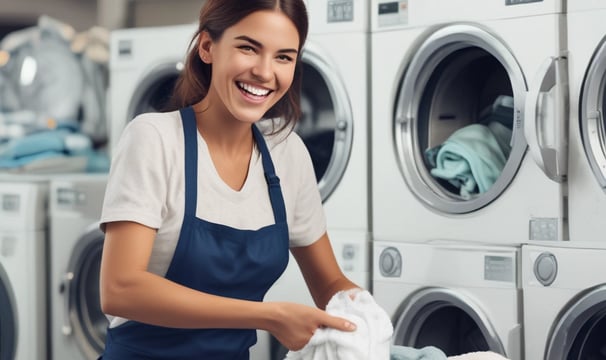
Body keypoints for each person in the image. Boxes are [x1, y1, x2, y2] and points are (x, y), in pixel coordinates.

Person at [98, 0, 362, 358]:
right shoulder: (155, 139)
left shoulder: (287, 153)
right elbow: (121, 289)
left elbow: (329, 282)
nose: (265, 72)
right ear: (207, 47)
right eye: (248, 48)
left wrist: (364, 314)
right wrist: (269, 316)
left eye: (284, 57)